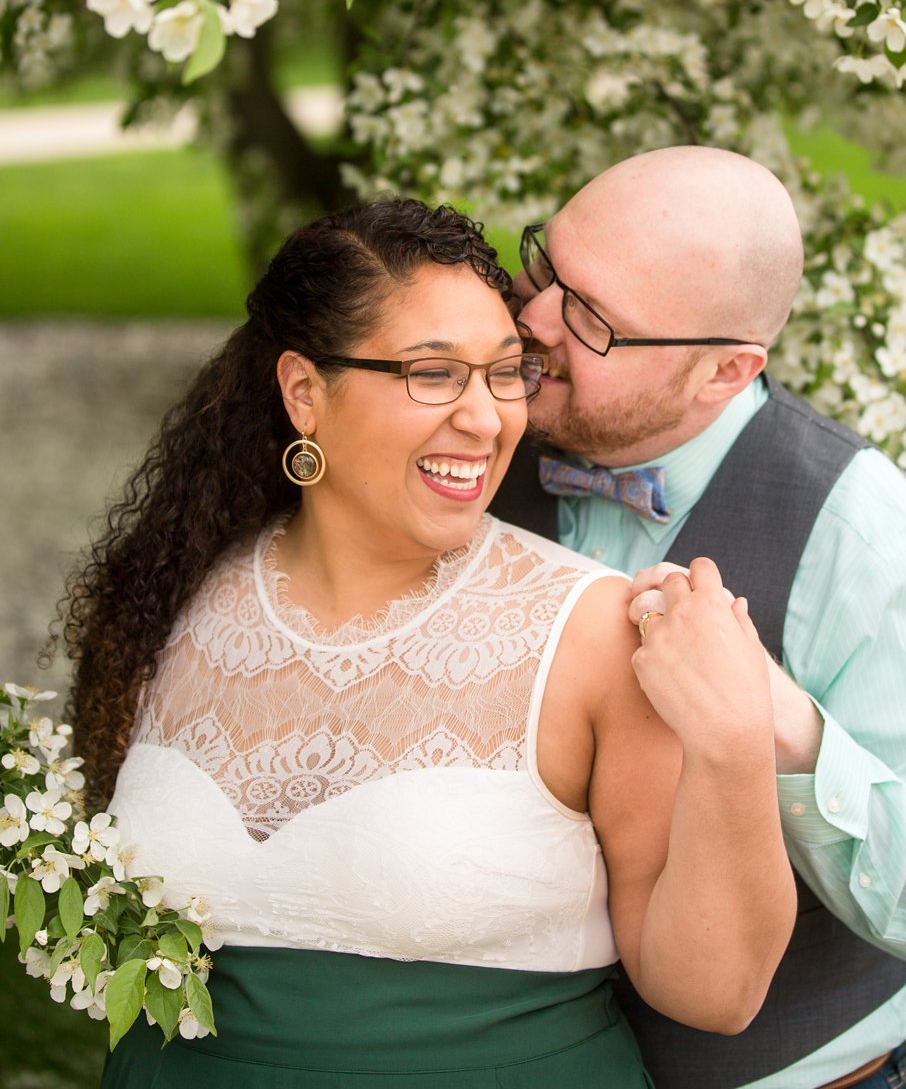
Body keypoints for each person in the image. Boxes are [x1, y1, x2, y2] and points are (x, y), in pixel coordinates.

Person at [61, 199, 795, 1089]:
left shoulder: (592, 632)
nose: (488, 421)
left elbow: (716, 992)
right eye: (435, 374)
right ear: (304, 392)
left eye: (504, 373)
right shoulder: (170, 600)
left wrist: (732, 745)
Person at [491, 145, 906, 1089]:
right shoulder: (477, 439)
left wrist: (776, 718)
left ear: (722, 371)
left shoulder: (859, 536)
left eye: (593, 319)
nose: (534, 319)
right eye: (545, 265)